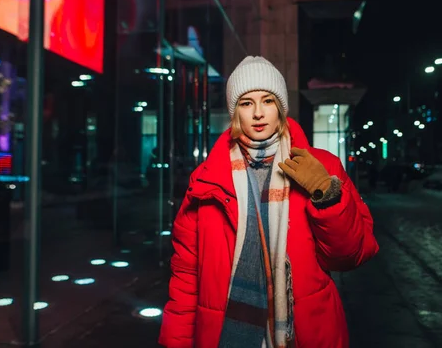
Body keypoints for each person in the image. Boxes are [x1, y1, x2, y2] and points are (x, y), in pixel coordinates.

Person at [159, 56, 379, 348]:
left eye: (268, 101)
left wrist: (328, 196)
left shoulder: (321, 167)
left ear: (281, 108)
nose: (259, 113)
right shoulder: (207, 179)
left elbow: (350, 255)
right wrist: (175, 341)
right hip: (228, 335)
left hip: (303, 334)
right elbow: (187, 273)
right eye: (247, 103)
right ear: (235, 112)